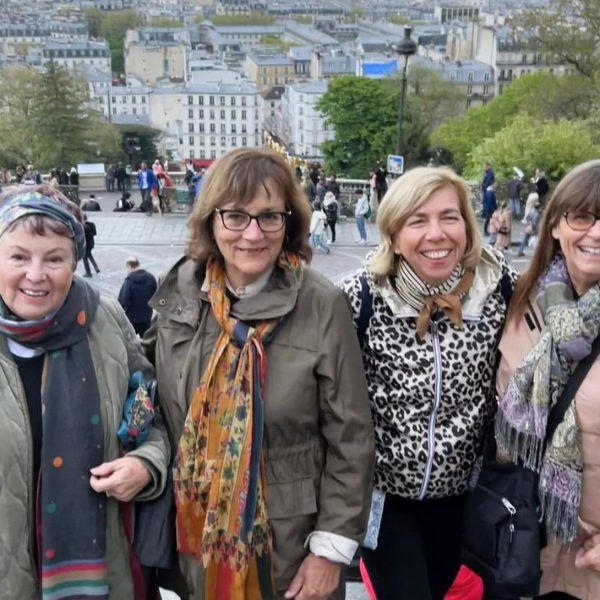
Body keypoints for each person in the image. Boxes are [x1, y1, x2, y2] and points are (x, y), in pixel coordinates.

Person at [142, 147, 374, 600]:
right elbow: (145, 391)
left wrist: (330, 551)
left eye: (270, 216)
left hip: (289, 547)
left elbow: (351, 437)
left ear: (289, 222)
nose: (252, 234)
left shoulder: (321, 305)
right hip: (196, 541)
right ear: (211, 219)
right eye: (236, 216)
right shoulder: (183, 294)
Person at [340, 166, 517, 600]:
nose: (436, 234)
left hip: (464, 496)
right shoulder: (360, 297)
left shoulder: (499, 290)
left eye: (449, 217)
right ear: (394, 235)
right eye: (417, 221)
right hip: (385, 498)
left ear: (467, 227)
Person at [0, 185, 169, 599]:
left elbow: (150, 412)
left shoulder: (105, 320)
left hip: (107, 572)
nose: (35, 274)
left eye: (54, 258)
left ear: (74, 261)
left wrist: (147, 465)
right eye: (18, 256)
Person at [494, 159, 600, 600]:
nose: (595, 233)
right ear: (555, 225)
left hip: (590, 560)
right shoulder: (521, 297)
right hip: (524, 546)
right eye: (582, 217)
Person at [118, 257, 157, 337]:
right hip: (147, 316)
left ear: (129, 266)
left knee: (132, 341)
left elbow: (124, 301)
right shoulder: (150, 278)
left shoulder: (129, 282)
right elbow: (156, 295)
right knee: (146, 339)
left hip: (132, 319)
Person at [82, 213, 100, 277]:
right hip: (91, 243)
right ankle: (96, 268)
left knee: (84, 258)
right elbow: (95, 233)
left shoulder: (83, 226)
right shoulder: (92, 224)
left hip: (85, 245)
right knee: (89, 255)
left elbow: (82, 237)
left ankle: (88, 272)